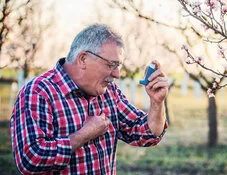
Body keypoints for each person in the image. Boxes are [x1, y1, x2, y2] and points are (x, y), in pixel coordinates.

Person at [10, 23, 169, 174]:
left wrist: (157, 102)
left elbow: (146, 134)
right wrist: (83, 135)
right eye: (111, 65)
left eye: (118, 66)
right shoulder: (38, 92)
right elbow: (30, 159)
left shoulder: (110, 91)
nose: (117, 74)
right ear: (83, 59)